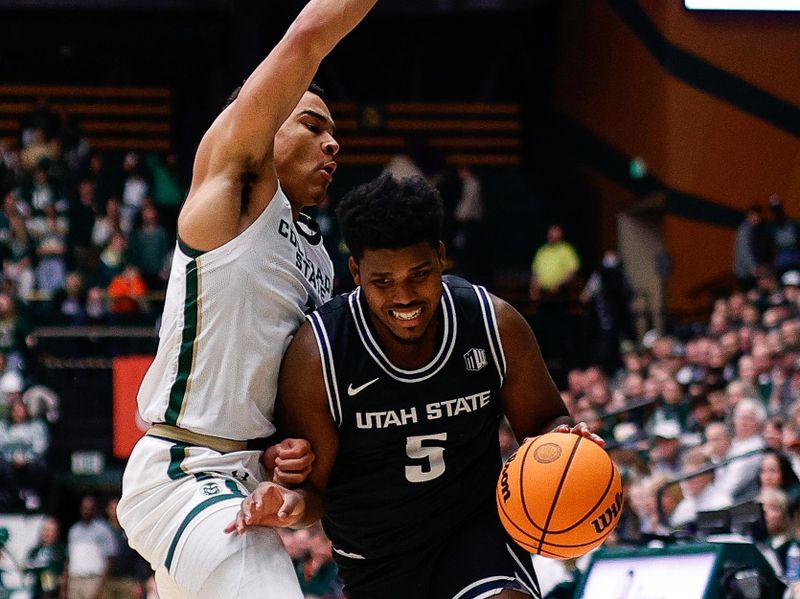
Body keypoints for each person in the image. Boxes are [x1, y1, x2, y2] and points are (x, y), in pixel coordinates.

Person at [230, 174, 603, 599]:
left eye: (419, 275)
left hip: (477, 532)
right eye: (383, 281)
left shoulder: (493, 324)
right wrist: (291, 504)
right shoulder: (319, 354)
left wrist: (567, 445)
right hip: (376, 557)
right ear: (356, 271)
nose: (404, 296)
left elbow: (544, 422)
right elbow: (312, 491)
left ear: (441, 257)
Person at [116, 1, 378, 597]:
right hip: (185, 471)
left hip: (242, 484)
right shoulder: (233, 191)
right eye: (313, 125)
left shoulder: (321, 262)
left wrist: (289, 466)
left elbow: (298, 416)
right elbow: (309, 36)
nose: (333, 144)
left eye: (334, 133)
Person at [64, 496, 116, 599]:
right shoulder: (74, 531)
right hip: (75, 580)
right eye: (84, 508)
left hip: (94, 580)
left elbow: (110, 559)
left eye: (90, 508)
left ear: (95, 509)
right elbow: (69, 559)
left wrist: (102, 584)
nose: (87, 511)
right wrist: (65, 584)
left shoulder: (103, 530)